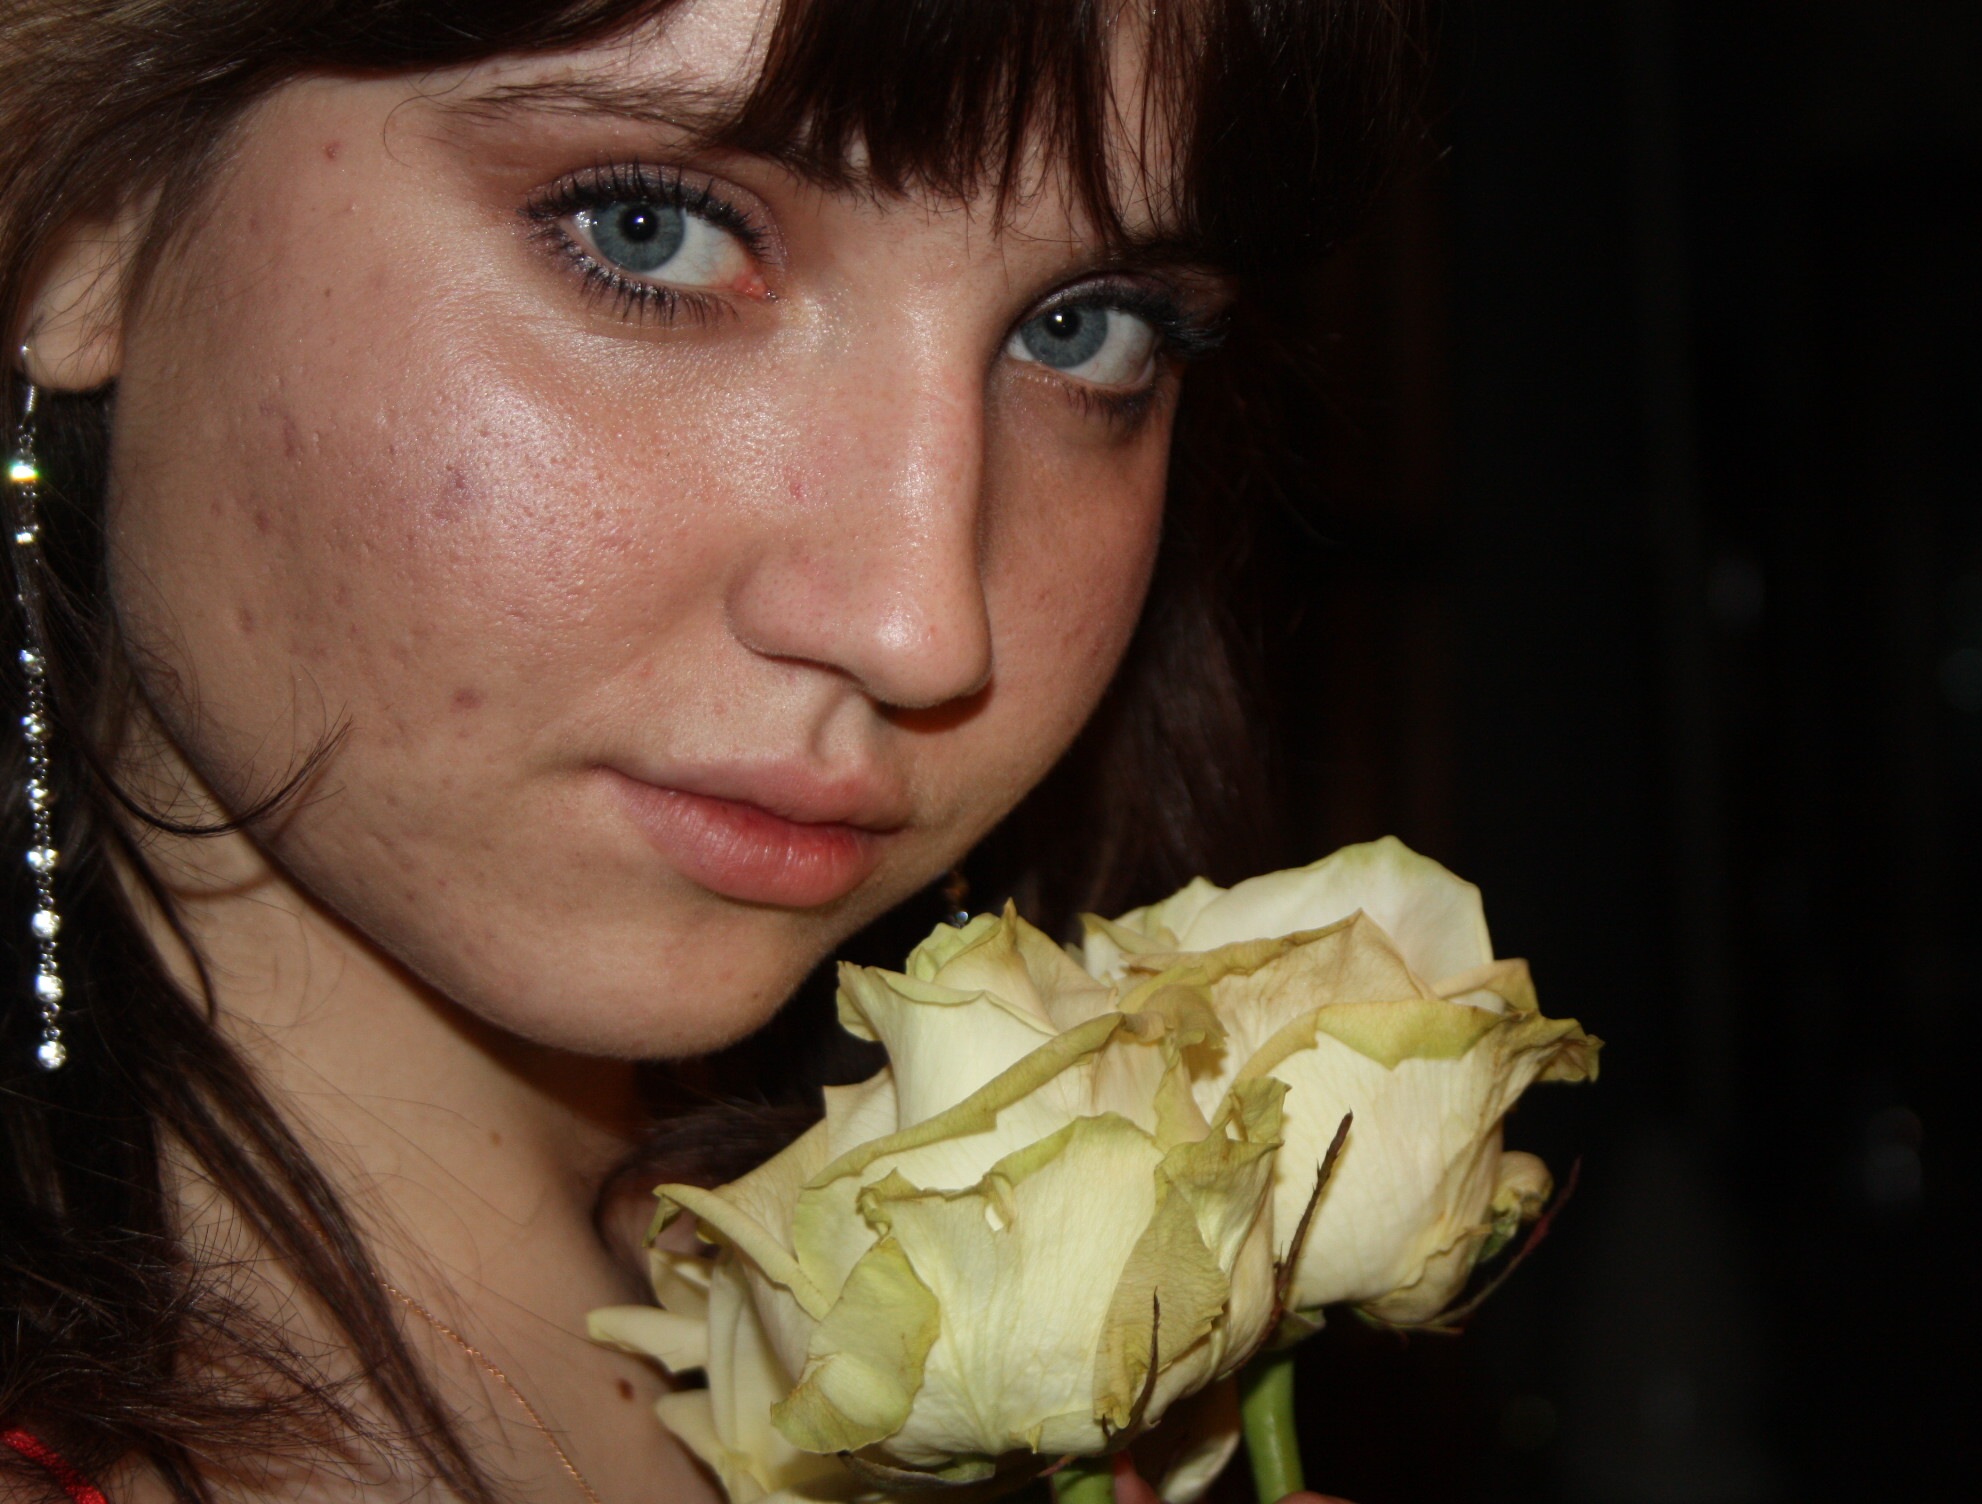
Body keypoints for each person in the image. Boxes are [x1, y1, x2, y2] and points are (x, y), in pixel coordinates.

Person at [0, 2, 1420, 1501]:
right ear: (87, 221)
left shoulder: (1079, 1382)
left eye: (1088, 328)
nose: (921, 628)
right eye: (652, 230)